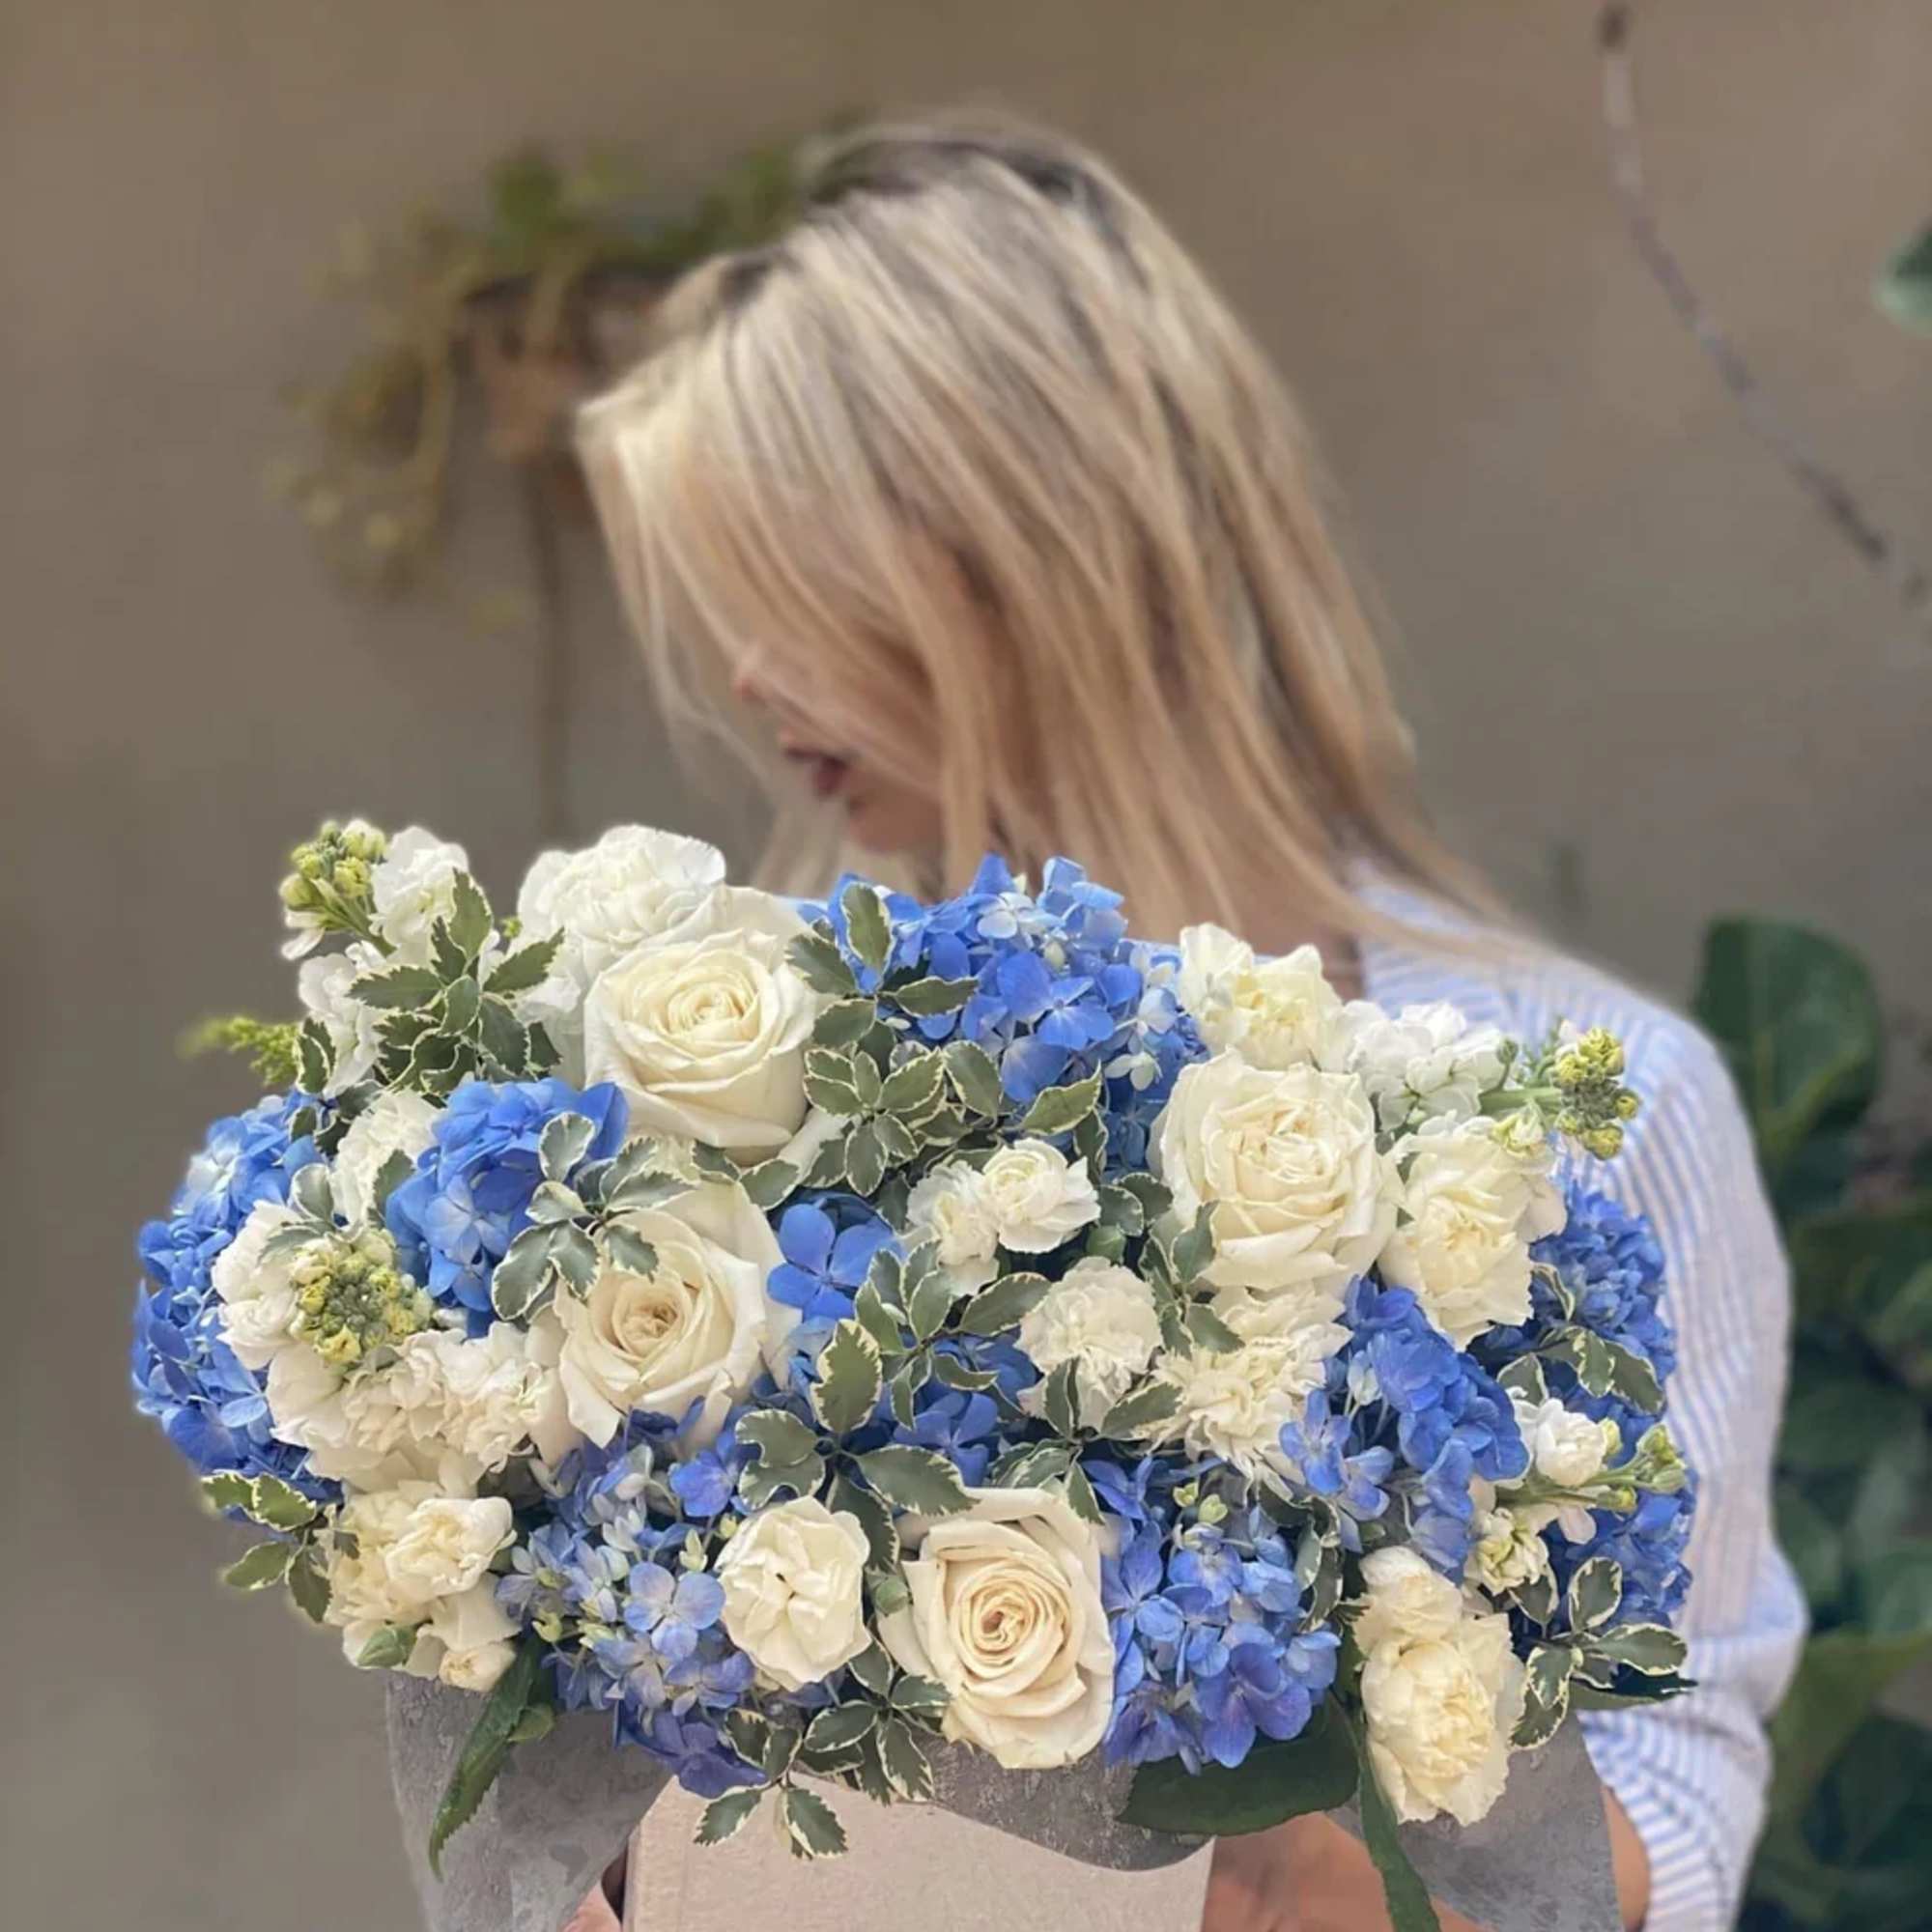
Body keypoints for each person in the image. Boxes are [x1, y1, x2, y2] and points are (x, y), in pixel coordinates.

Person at [568, 116, 1804, 1932]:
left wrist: (1332, 1878)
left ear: (1026, 551)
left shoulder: (1588, 1107)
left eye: (790, 586)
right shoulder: (742, 1099)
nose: (747, 681)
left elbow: (1678, 1766)